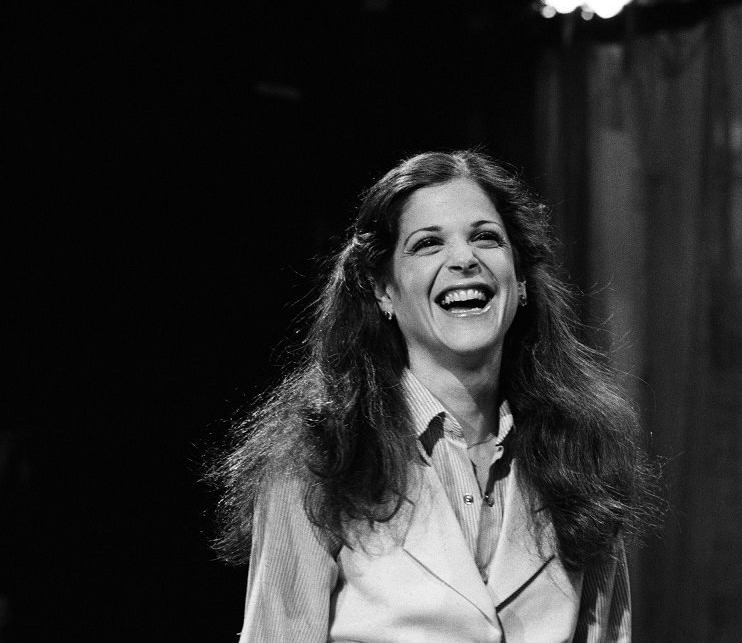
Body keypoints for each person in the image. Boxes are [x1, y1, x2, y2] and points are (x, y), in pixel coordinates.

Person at [208, 150, 658, 642]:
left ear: (522, 279)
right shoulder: (319, 457)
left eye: (485, 237)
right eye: (427, 244)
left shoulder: (580, 456)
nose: (464, 259)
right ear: (384, 290)